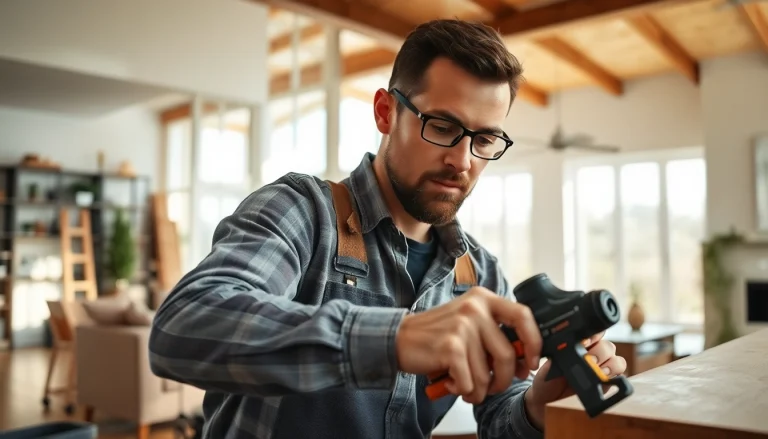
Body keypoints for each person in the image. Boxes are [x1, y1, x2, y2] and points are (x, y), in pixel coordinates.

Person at [148, 18, 626, 439]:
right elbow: (184, 328)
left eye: (483, 139)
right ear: (385, 112)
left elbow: (500, 416)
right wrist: (396, 337)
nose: (462, 161)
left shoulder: (477, 274)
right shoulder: (302, 213)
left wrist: (537, 407)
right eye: (441, 126)